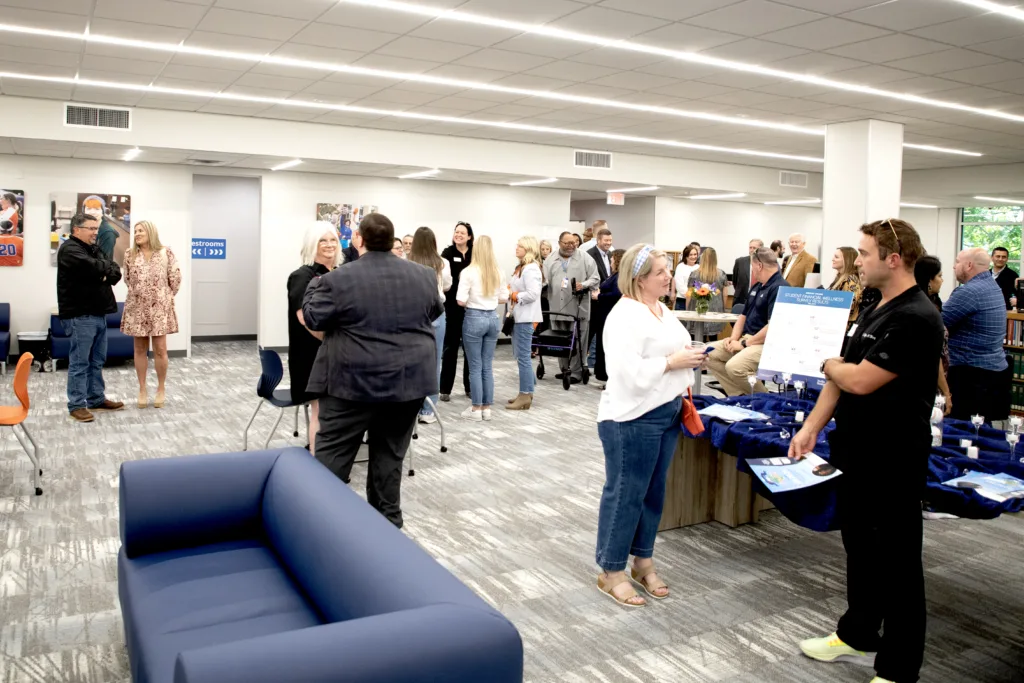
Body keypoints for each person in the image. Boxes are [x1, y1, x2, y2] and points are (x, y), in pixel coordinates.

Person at [791, 218, 943, 683]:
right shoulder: (877, 305)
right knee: (860, 549)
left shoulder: (917, 316)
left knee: (898, 563)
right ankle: (858, 633)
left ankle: (899, 668)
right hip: (856, 451)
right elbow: (841, 382)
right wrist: (812, 427)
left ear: (893, 259)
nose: (857, 261)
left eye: (865, 254)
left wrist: (830, 363)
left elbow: (857, 378)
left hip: (894, 457)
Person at [302, 212, 443, 529]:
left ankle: (322, 530)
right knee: (389, 463)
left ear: (360, 241)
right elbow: (434, 310)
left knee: (332, 462)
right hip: (407, 386)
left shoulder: (335, 280)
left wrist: (314, 286)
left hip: (351, 385)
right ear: (391, 241)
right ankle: (386, 533)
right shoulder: (422, 276)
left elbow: (313, 318)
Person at [595, 243, 706, 608]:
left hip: (667, 412)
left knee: (653, 495)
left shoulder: (661, 310)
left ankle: (643, 561)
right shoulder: (624, 315)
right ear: (640, 279)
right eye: (661, 272)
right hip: (633, 416)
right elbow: (628, 376)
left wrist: (695, 355)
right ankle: (611, 571)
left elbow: (675, 348)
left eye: (667, 270)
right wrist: (673, 362)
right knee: (627, 494)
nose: (668, 276)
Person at [56, 213, 124, 422]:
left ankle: (96, 398)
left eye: (96, 228)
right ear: (77, 229)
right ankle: (77, 404)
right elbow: (94, 267)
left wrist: (103, 272)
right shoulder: (70, 249)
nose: (96, 232)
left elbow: (114, 270)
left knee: (97, 360)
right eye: (91, 229)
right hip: (80, 315)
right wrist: (101, 271)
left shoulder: (93, 248)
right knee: (80, 362)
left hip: (98, 313)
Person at [286, 223, 341, 454]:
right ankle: (318, 463)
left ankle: (330, 457)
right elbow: (306, 320)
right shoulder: (302, 276)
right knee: (321, 411)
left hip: (335, 356)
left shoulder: (339, 274)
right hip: (312, 357)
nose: (329, 245)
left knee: (334, 411)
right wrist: (338, 342)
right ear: (312, 244)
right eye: (323, 240)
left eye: (333, 240)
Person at [706, 247, 784, 395]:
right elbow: (743, 316)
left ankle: (765, 398)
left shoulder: (779, 287)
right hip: (745, 339)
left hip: (764, 343)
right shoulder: (758, 286)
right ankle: (740, 396)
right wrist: (733, 339)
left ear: (759, 266)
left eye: (753, 267)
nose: (752, 271)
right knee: (708, 353)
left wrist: (743, 344)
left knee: (735, 366)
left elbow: (773, 326)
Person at [121, 221, 182, 410]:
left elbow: (175, 279)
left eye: (141, 231)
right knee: (139, 349)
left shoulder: (166, 252)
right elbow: (128, 279)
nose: (137, 234)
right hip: (136, 307)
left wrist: (162, 297)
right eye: (136, 231)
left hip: (159, 308)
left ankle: (161, 389)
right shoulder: (129, 254)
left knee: (160, 349)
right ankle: (142, 389)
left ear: (151, 232)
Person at [943, 247, 1009, 421]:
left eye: (957, 262)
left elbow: (936, 325)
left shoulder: (968, 292)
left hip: (969, 374)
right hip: (990, 371)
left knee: (959, 430)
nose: (954, 266)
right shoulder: (991, 286)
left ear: (969, 265)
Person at [457, 235, 507, 420]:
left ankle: (476, 408)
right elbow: (503, 297)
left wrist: (475, 299)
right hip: (493, 318)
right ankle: (487, 408)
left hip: (474, 318)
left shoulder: (468, 272)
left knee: (475, 367)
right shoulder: (498, 272)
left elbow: (460, 300)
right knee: (487, 366)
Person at [408, 226, 451, 424]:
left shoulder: (407, 262)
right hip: (437, 313)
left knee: (412, 360)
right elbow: (446, 286)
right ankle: (429, 409)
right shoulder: (443, 263)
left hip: (414, 313)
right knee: (435, 360)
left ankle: (412, 406)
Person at [543, 231, 599, 384]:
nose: (571, 246)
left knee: (579, 339)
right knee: (560, 340)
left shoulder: (585, 257)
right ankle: (565, 369)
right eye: (567, 243)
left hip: (578, 306)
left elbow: (596, 278)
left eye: (573, 243)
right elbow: (544, 279)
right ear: (559, 243)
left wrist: (584, 285)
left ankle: (576, 372)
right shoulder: (551, 259)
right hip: (557, 307)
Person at [507, 236, 543, 411]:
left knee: (523, 358)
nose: (516, 248)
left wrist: (514, 295)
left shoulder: (530, 269)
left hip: (526, 318)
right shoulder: (522, 268)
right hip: (520, 317)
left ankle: (526, 393)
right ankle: (526, 391)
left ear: (528, 248)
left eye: (520, 246)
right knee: (521, 356)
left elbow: (532, 294)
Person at [440, 222, 473, 401]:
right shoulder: (447, 253)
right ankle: (445, 389)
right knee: (450, 348)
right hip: (452, 307)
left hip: (470, 307)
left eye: (462, 232)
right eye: (456, 232)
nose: (458, 235)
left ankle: (469, 387)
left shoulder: (475, 254)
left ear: (469, 236)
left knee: (470, 349)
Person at [915, 255, 952, 415]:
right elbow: (932, 355)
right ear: (929, 280)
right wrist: (946, 392)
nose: (942, 280)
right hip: (928, 380)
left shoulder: (934, 303)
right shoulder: (924, 310)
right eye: (940, 276)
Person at [593, 248, 625, 385]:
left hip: (609, 314)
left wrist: (599, 295)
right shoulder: (615, 275)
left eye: (612, 260)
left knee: (608, 346)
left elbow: (617, 295)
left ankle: (609, 377)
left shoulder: (619, 277)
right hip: (604, 314)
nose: (610, 262)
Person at [685, 247, 728, 341]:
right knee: (713, 341)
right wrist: (723, 309)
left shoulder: (694, 274)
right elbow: (725, 295)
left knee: (697, 340)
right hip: (715, 312)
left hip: (697, 311)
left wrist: (687, 310)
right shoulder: (721, 274)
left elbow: (689, 294)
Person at [587, 227, 614, 365]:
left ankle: (595, 362)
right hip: (593, 300)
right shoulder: (590, 255)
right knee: (592, 332)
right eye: (606, 240)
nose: (608, 243)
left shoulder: (611, 255)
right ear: (598, 240)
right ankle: (587, 362)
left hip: (606, 299)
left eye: (610, 240)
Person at [828, 246, 863, 325]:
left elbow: (850, 305)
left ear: (846, 260)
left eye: (836, 257)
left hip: (844, 326)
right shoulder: (840, 278)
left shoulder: (850, 280)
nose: (832, 259)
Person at [731, 239, 763, 308]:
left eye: (754, 248)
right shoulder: (740, 262)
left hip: (758, 300)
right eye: (750, 247)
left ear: (761, 249)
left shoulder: (764, 264)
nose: (752, 250)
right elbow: (735, 281)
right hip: (741, 300)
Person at [673, 244, 699, 311]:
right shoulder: (680, 267)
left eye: (695, 254)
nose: (693, 257)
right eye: (691, 255)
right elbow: (679, 285)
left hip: (696, 301)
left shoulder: (699, 267)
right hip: (682, 301)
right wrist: (689, 296)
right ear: (686, 256)